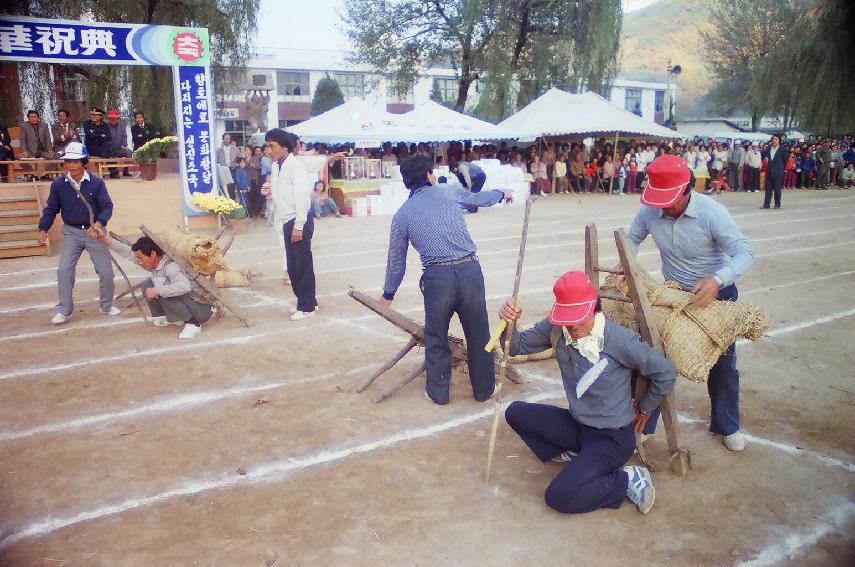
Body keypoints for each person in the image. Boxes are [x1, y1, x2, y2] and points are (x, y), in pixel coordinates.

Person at [500, 271, 677, 515]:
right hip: (578, 426)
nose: (572, 326)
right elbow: (516, 346)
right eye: (566, 318)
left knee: (558, 496)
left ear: (593, 308)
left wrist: (645, 406)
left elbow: (665, 372)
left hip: (612, 438)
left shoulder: (620, 340)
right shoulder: (556, 329)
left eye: (578, 319)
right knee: (516, 412)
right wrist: (509, 324)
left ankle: (627, 480)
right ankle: (579, 456)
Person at [627, 154, 757, 452]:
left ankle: (727, 425)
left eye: (670, 199)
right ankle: (644, 427)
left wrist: (717, 279)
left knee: (723, 365)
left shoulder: (713, 213)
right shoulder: (649, 211)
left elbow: (745, 253)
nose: (664, 206)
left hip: (716, 297)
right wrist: (628, 266)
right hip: (674, 297)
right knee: (656, 361)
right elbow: (631, 238)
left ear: (687, 189)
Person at [380, 154, 512, 405]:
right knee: (478, 333)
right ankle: (484, 389)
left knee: (436, 335)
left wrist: (388, 294)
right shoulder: (449, 192)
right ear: (430, 175)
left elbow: (396, 260)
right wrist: (501, 193)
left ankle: (439, 393)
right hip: (470, 271)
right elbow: (480, 199)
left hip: (437, 278)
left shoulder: (402, 215)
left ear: (407, 183)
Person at [37, 142, 120, 324]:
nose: (72, 165)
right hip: (72, 232)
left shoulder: (96, 183)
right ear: (64, 163)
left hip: (95, 232)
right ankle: (64, 310)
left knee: (106, 272)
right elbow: (51, 209)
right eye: (68, 161)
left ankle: (106, 305)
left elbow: (107, 206)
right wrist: (43, 228)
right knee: (64, 270)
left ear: (84, 162)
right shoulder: (59, 185)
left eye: (76, 161)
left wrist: (99, 223)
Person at [100, 232, 212, 339]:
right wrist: (104, 237)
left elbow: (184, 286)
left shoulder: (171, 266)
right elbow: (126, 252)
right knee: (148, 285)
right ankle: (164, 316)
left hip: (200, 310)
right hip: (191, 304)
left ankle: (193, 324)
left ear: (153, 254)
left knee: (161, 291)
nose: (139, 261)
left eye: (140, 258)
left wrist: (157, 291)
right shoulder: (155, 262)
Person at [265, 129, 316, 320]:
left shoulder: (296, 166)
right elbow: (282, 190)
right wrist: (269, 189)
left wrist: (299, 225)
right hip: (286, 219)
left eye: (273, 146)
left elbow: (302, 196)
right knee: (294, 265)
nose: (269, 150)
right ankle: (308, 301)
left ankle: (307, 306)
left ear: (285, 147)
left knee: (301, 265)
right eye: (268, 146)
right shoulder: (277, 166)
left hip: (298, 219)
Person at [761, 134, 787, 209]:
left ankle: (777, 204)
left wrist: (780, 168)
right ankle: (766, 204)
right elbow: (765, 157)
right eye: (773, 139)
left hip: (778, 172)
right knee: (768, 189)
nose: (774, 140)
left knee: (777, 189)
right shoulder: (768, 148)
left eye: (776, 139)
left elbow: (785, 160)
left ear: (779, 140)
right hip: (769, 171)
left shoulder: (783, 149)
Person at [106, 109, 132, 178]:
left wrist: (124, 145)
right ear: (109, 119)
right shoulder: (106, 126)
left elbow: (124, 135)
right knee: (107, 155)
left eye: (114, 118)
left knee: (129, 152)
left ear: (117, 118)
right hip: (110, 149)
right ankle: (113, 172)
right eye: (111, 118)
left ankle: (125, 171)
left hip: (119, 148)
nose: (113, 120)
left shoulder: (121, 124)